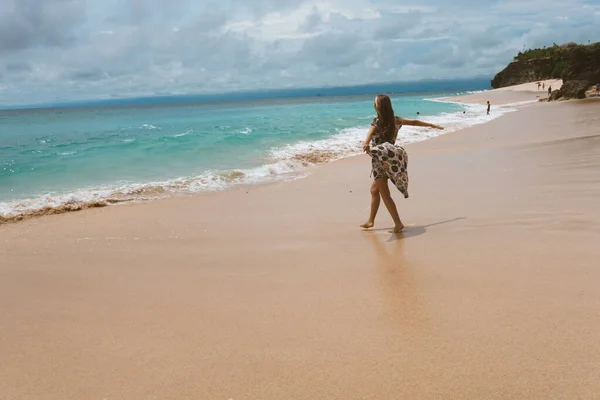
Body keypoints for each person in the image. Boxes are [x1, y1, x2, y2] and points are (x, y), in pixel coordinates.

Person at [360, 94, 443, 233]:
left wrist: (366, 143)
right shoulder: (396, 120)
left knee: (385, 194)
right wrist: (431, 125)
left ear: (378, 106)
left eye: (375, 103)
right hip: (391, 159)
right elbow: (415, 122)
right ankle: (370, 221)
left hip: (379, 161)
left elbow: (370, 133)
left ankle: (398, 223)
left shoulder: (377, 121)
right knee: (374, 190)